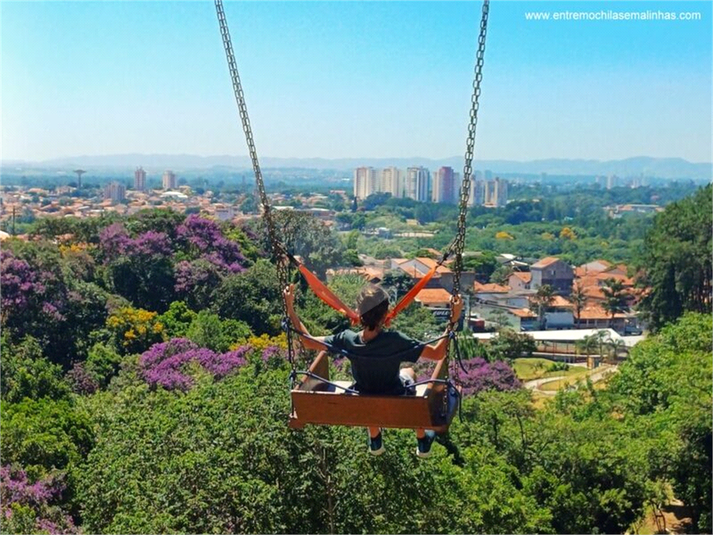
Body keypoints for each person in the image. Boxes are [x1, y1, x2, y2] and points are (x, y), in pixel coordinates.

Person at [284, 283, 463, 458]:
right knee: (409, 372)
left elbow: (307, 341)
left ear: (359, 312)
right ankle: (422, 440)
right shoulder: (395, 340)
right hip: (395, 394)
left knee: (369, 391)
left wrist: (290, 309)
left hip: (364, 395)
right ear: (385, 314)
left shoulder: (348, 339)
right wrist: (453, 320)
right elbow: (438, 353)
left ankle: (375, 438)